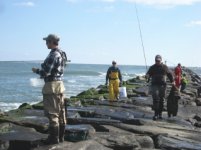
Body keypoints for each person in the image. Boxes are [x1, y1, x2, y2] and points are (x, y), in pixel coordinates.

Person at [32, 34, 67, 145]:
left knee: (52, 113)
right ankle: (61, 137)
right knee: (61, 112)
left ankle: (53, 139)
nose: (46, 43)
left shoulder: (53, 55)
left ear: (52, 42)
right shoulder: (62, 53)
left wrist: (36, 70)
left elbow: (45, 72)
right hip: (60, 85)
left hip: (52, 86)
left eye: (47, 41)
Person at [146, 55, 174, 120]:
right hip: (154, 85)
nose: (157, 61)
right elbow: (148, 74)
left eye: (158, 60)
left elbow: (169, 74)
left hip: (163, 85)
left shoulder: (165, 67)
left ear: (161, 60)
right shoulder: (152, 67)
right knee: (155, 99)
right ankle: (156, 114)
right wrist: (147, 76)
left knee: (162, 100)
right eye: (156, 60)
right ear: (155, 60)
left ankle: (160, 114)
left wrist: (172, 81)